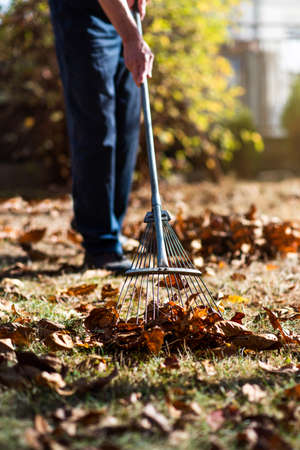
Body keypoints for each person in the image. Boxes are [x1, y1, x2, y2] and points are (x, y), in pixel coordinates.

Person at [48, 0, 154, 271]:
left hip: (121, 17)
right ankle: (100, 244)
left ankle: (111, 230)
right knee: (97, 129)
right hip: (83, 18)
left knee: (127, 128)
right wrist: (132, 37)